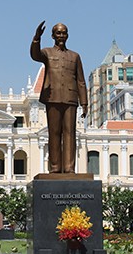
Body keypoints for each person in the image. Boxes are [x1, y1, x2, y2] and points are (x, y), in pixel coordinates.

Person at [30, 21, 88, 173]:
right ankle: (55, 168)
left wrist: (84, 102)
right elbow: (35, 55)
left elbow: (81, 81)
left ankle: (69, 168)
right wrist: (36, 38)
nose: (61, 36)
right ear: (53, 35)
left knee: (70, 134)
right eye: (58, 33)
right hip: (53, 98)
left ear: (67, 35)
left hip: (70, 98)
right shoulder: (47, 53)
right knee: (54, 133)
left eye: (64, 33)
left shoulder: (75, 56)